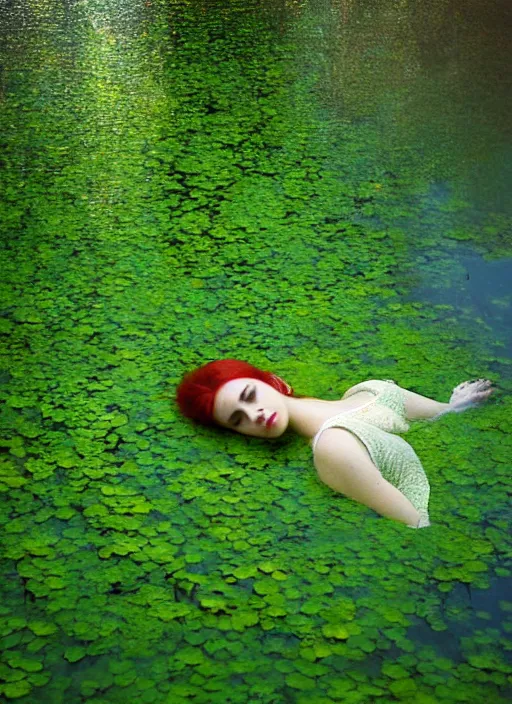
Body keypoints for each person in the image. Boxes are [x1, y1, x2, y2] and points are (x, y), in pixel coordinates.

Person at [176, 359, 494, 529]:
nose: (254, 415)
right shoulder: (333, 447)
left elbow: (443, 417)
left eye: (249, 396)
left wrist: (458, 406)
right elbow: (417, 523)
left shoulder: (373, 389)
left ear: (271, 381)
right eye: (237, 419)